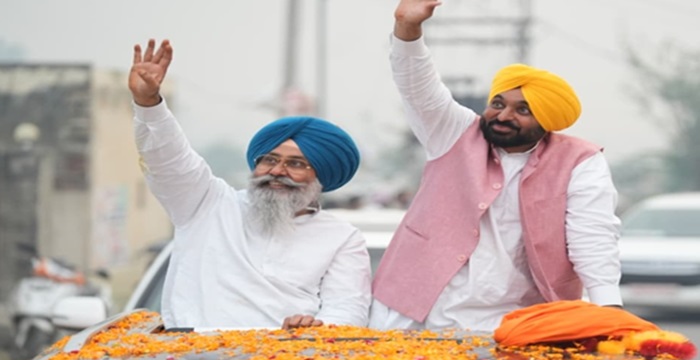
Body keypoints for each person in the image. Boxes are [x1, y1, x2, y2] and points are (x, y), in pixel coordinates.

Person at [370, 0, 623, 332]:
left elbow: (592, 237)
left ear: (547, 121)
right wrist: (408, 28)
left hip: (517, 322)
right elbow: (418, 87)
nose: (503, 116)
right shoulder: (454, 133)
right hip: (415, 314)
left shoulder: (580, 162)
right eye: (498, 103)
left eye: (522, 110)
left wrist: (609, 308)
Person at [128, 39, 371, 330]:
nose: (277, 171)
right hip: (190, 354)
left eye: (296, 164)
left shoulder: (342, 238)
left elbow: (348, 308)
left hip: (288, 355)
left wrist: (317, 328)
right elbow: (170, 159)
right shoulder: (207, 204)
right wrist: (149, 104)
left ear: (321, 177)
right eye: (269, 160)